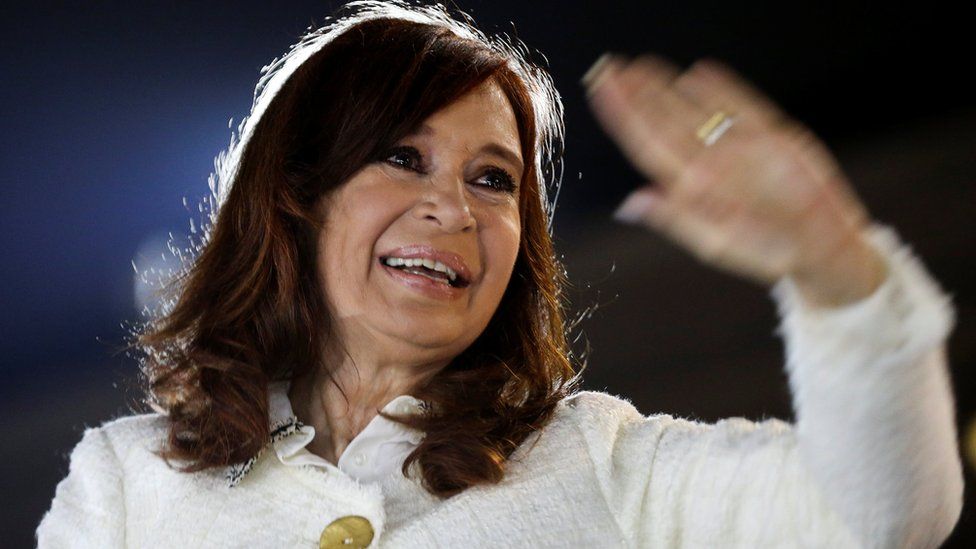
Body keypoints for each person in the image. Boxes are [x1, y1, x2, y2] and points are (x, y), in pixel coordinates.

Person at [37, 1, 963, 547]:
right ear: (297, 198)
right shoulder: (126, 482)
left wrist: (840, 274)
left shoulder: (601, 461)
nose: (457, 209)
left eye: (494, 179)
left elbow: (883, 516)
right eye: (402, 157)